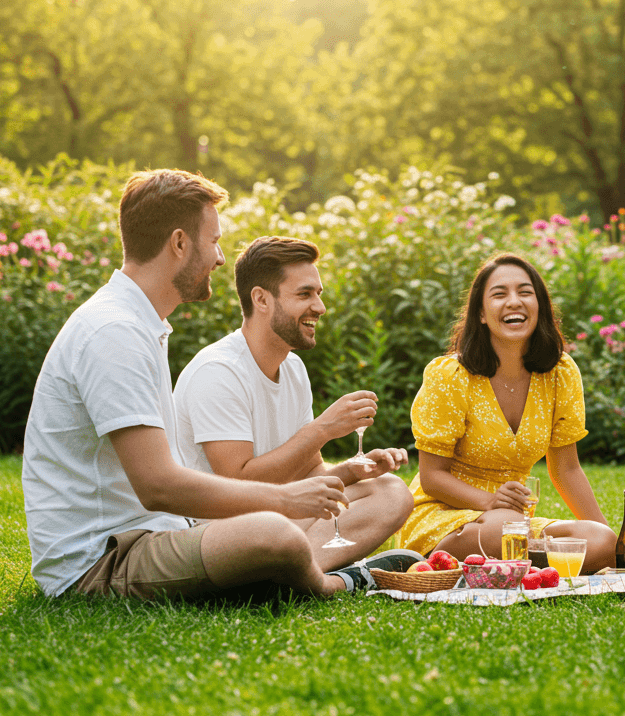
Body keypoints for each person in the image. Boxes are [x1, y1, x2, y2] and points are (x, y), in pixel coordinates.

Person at [22, 170, 379, 601]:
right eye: (213, 241)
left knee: (357, 503)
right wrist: (285, 500)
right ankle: (332, 582)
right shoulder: (114, 331)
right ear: (179, 243)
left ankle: (286, 568)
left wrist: (321, 484)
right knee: (274, 532)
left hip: (157, 534)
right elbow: (158, 486)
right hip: (102, 558)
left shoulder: (139, 324)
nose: (220, 258)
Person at [173, 236, 418, 576]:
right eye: (305, 294)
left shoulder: (293, 368)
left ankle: (297, 574)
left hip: (274, 518)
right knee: (274, 530)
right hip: (220, 533)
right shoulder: (218, 371)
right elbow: (238, 483)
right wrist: (322, 429)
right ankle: (310, 574)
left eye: (318, 293)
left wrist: (354, 470)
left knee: (391, 491)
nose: (320, 307)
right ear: (261, 299)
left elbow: (310, 474)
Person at [395, 253, 617, 571]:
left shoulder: (560, 373)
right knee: (506, 527)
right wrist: (489, 501)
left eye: (525, 292)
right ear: (481, 314)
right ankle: (515, 561)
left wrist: (611, 546)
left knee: (598, 540)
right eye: (499, 294)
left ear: (539, 306)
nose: (514, 302)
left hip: (513, 524)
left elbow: (567, 470)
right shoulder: (450, 376)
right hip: (443, 518)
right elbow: (432, 478)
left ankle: (514, 565)